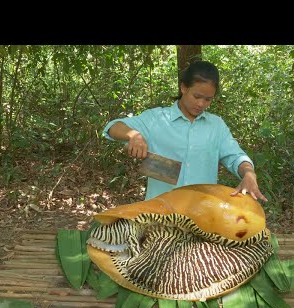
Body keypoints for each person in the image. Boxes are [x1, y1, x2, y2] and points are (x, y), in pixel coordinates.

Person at [103, 60, 268, 202]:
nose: (201, 104)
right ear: (183, 88)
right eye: (197, 97)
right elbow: (112, 127)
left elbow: (236, 157)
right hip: (159, 214)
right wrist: (134, 135)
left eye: (208, 99)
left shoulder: (216, 126)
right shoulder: (156, 118)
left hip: (202, 216)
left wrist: (249, 173)